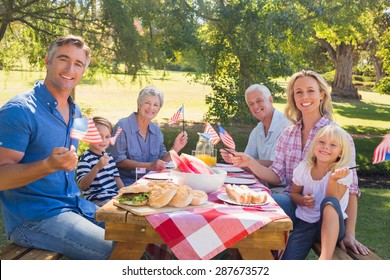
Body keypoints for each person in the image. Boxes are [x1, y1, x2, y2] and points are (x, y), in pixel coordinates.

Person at [230, 70, 370, 256]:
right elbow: (276, 175)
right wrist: (250, 162)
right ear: (293, 97)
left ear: (322, 94)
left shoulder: (337, 137)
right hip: (296, 206)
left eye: (310, 91)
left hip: (328, 217)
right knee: (258, 203)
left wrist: (350, 234)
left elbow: (352, 189)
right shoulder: (288, 134)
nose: (304, 97)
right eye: (298, 92)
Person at [0, 35, 114, 259]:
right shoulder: (19, 111)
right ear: (48, 61)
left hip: (73, 206)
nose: (70, 68)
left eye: (78, 64)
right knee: (119, 253)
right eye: (63, 59)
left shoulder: (75, 111)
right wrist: (48, 165)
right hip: (35, 218)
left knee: (137, 237)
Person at [282, 125, 353, 260]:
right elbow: (293, 194)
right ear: (314, 145)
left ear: (340, 153)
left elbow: (333, 202)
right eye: (321, 142)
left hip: (334, 227)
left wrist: (333, 180)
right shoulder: (304, 167)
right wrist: (303, 200)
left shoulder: (343, 172)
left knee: (329, 202)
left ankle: (324, 259)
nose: (326, 147)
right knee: (288, 260)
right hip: (306, 223)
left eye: (333, 145)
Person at [109, 86, 188, 186]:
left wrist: (175, 148)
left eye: (156, 105)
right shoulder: (123, 126)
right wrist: (149, 166)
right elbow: (118, 161)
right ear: (139, 104)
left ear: (159, 109)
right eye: (147, 103)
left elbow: (162, 161)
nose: (151, 108)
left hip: (152, 183)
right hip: (127, 184)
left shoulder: (156, 131)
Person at [220, 84, 291, 167]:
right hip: (263, 179)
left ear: (270, 100)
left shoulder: (286, 126)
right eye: (251, 104)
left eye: (259, 101)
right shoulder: (258, 129)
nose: (256, 106)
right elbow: (248, 161)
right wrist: (236, 159)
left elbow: (275, 165)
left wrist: (243, 160)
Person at [76, 116, 125, 207]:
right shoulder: (85, 159)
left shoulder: (109, 156)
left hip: (113, 197)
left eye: (107, 137)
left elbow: (116, 178)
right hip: (97, 200)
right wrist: (97, 167)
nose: (103, 140)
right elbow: (83, 185)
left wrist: (125, 192)